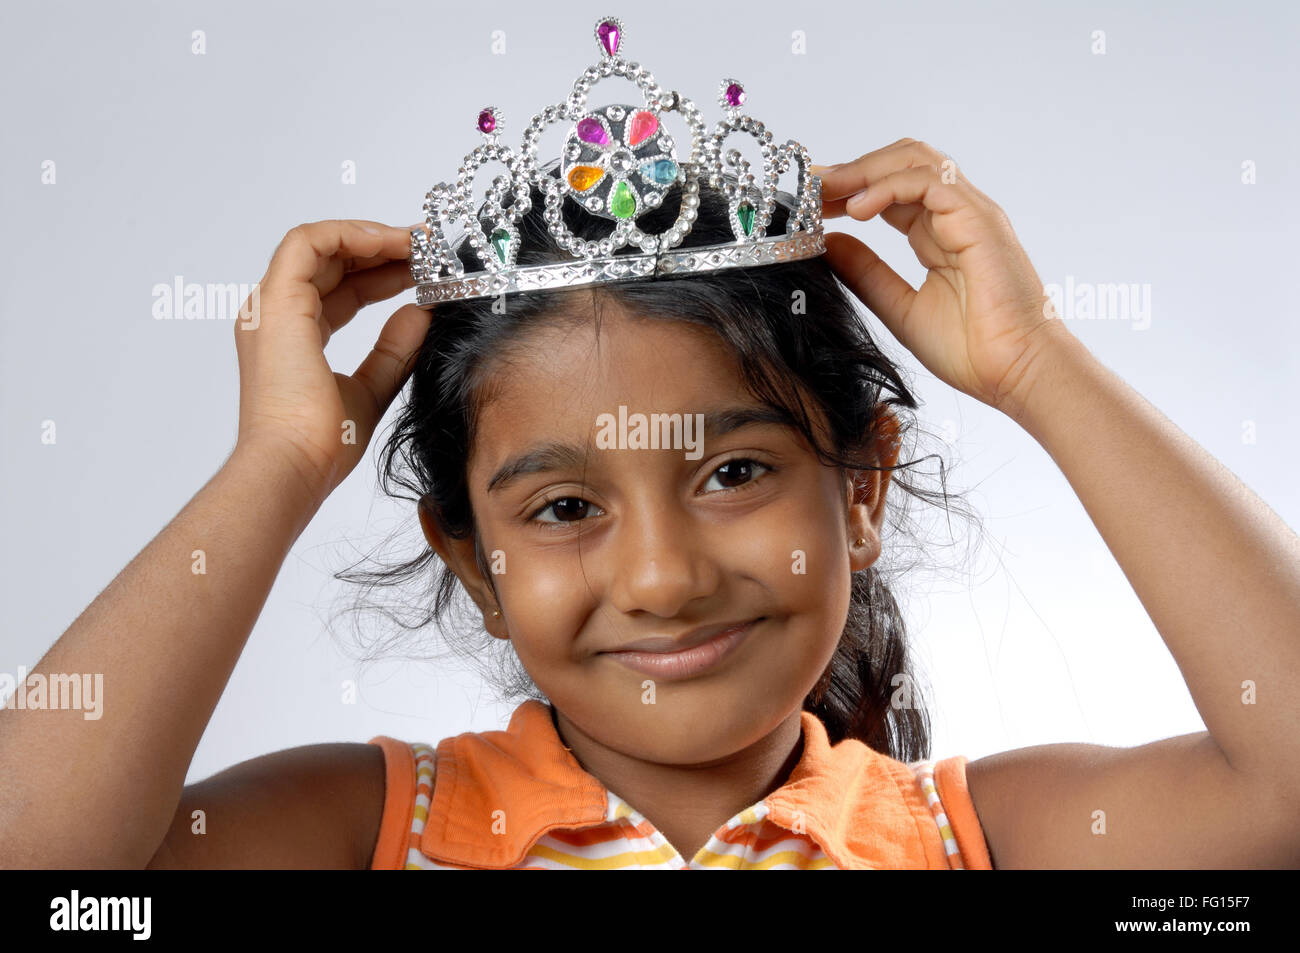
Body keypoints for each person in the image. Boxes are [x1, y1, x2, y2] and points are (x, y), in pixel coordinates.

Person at [3, 140, 1297, 870]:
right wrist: (274, 467)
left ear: (860, 494)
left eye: (734, 474)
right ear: (470, 558)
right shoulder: (371, 834)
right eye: (564, 507)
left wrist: (1038, 369)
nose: (666, 577)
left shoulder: (977, 845)